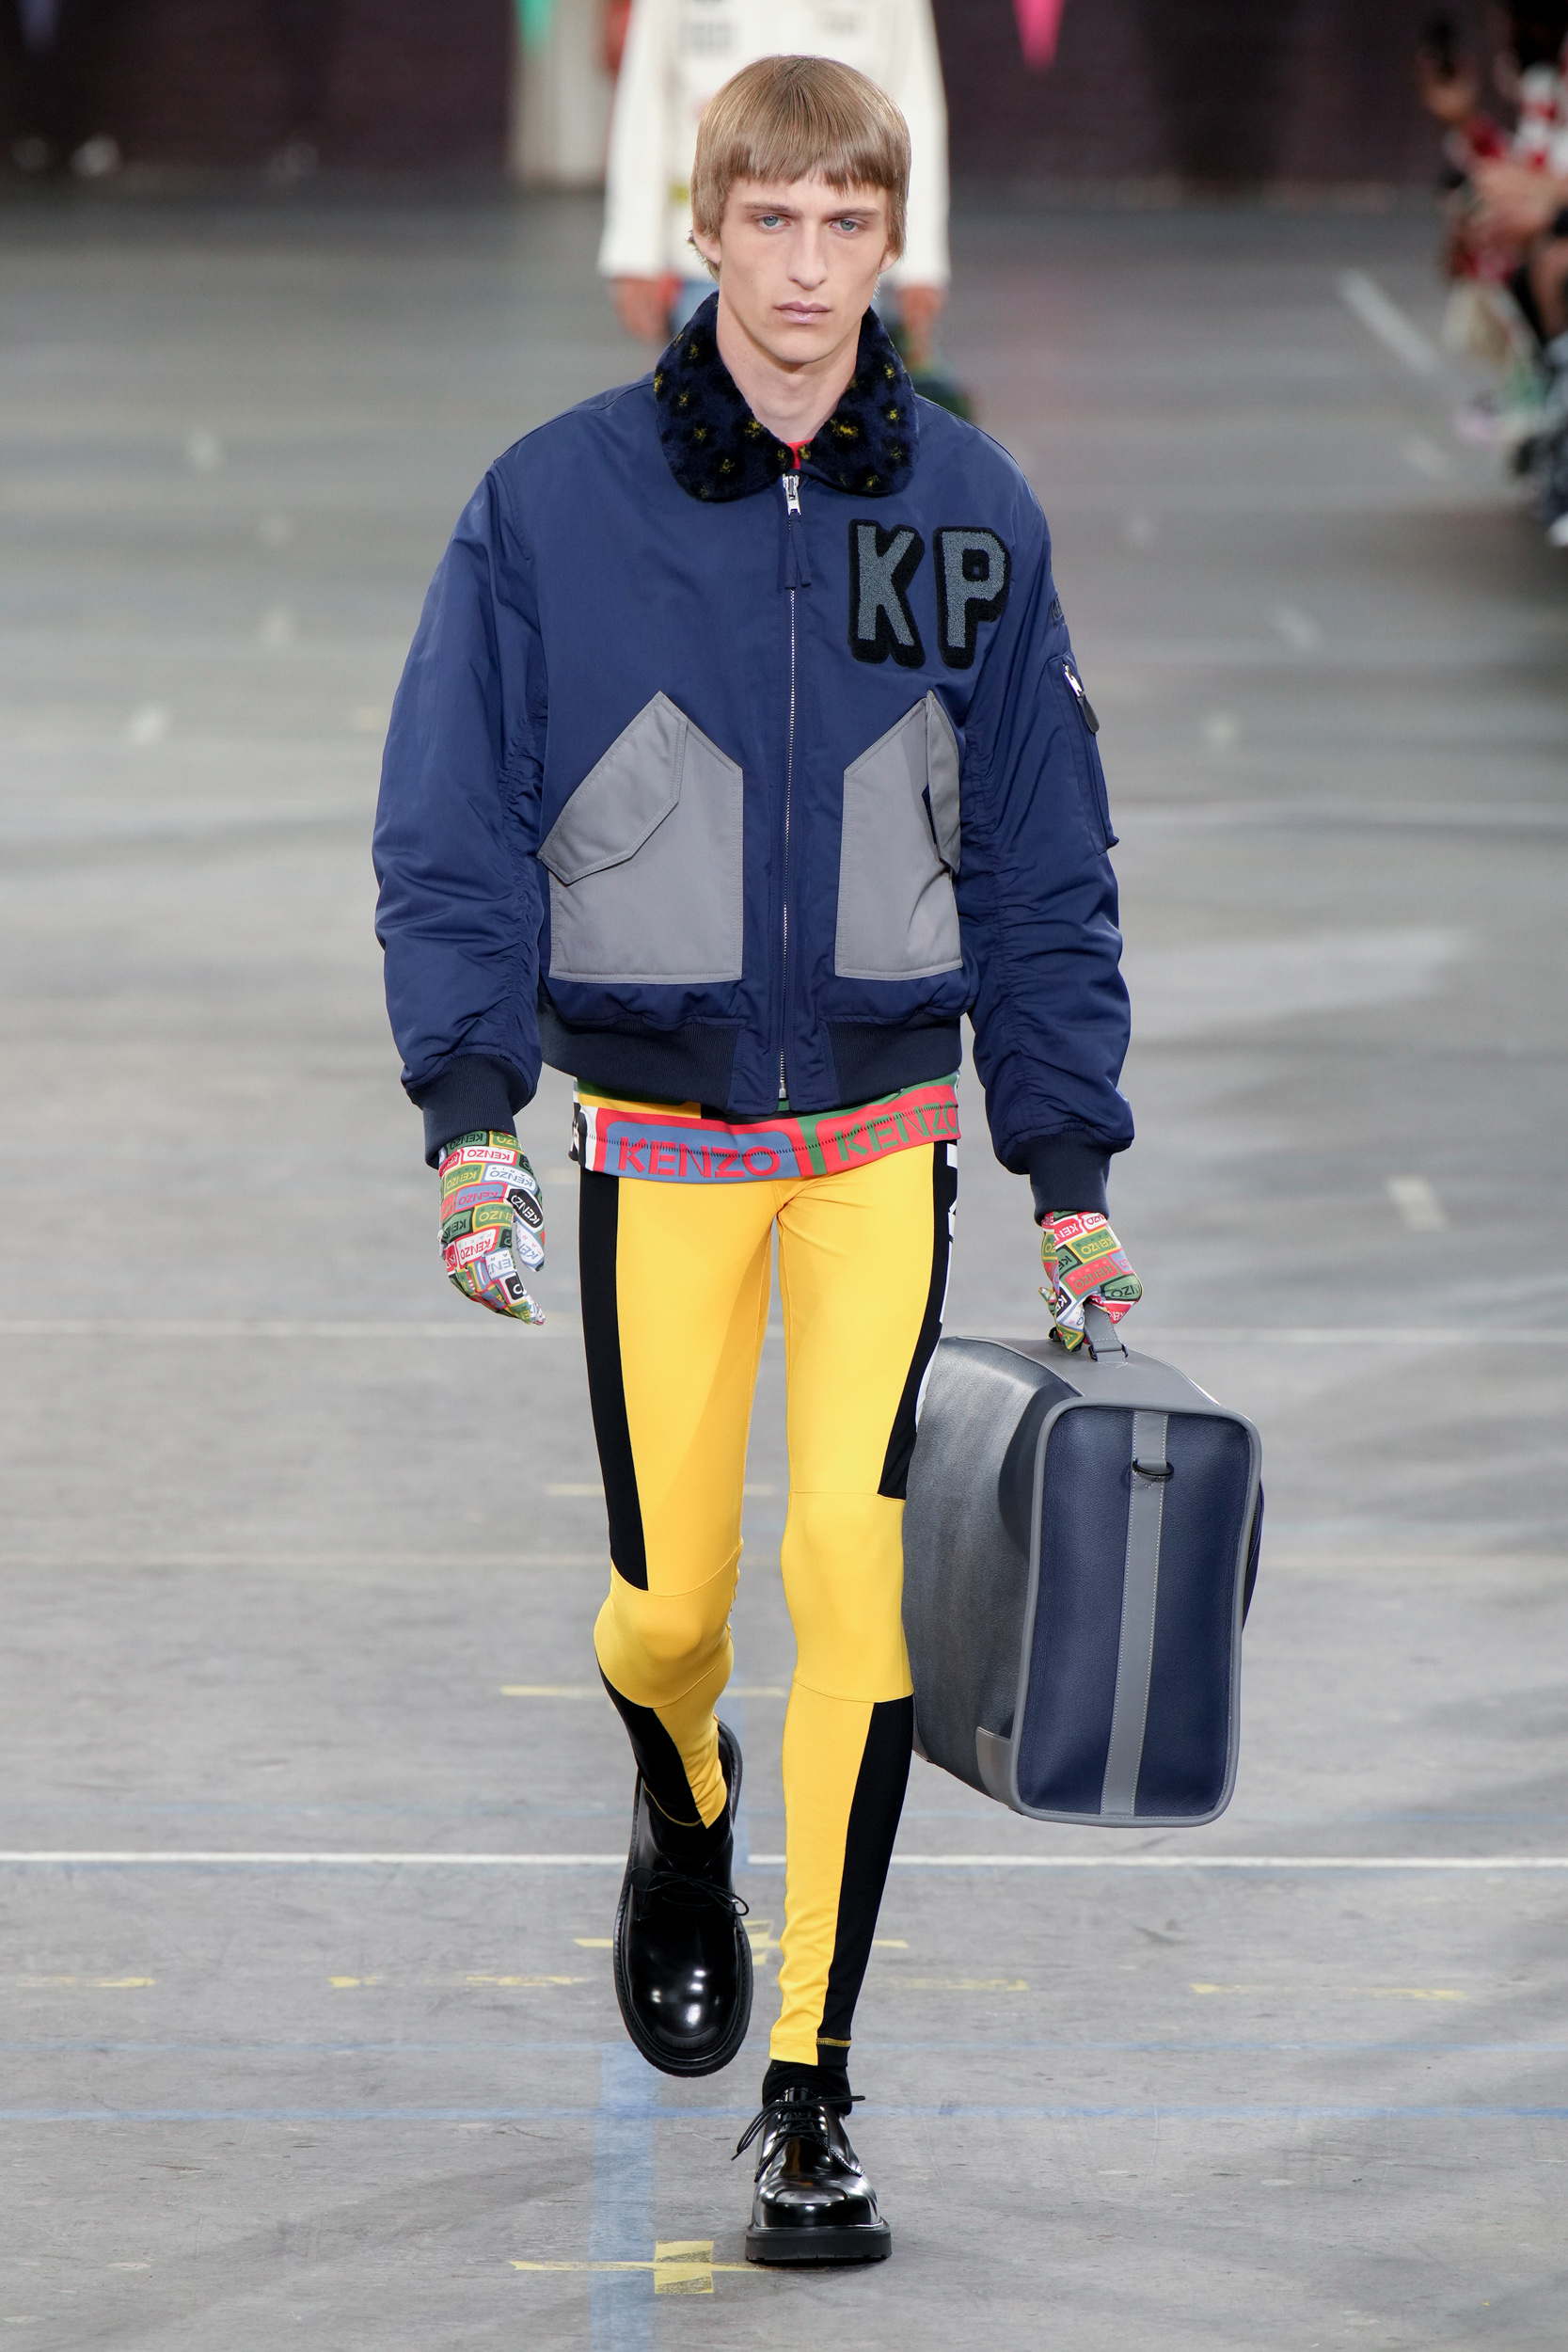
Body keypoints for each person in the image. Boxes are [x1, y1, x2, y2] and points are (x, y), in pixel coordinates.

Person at [373, 54, 1139, 2264]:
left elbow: (1044, 862)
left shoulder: (969, 512)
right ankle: (682, 1798)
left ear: (892, 240)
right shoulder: (551, 508)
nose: (806, 270)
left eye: (845, 224)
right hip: (658, 1140)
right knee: (672, 1608)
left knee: (853, 1586)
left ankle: (810, 2083)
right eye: (770, 221)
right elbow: (451, 823)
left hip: (884, 1141)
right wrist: (469, 1121)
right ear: (698, 232)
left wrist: (1067, 1172)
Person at [598, 0, 950, 376]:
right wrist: (635, 255)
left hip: (842, 258)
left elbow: (913, 108)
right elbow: (647, 97)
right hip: (707, 260)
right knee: (708, 398)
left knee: (842, 401)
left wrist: (920, 262)